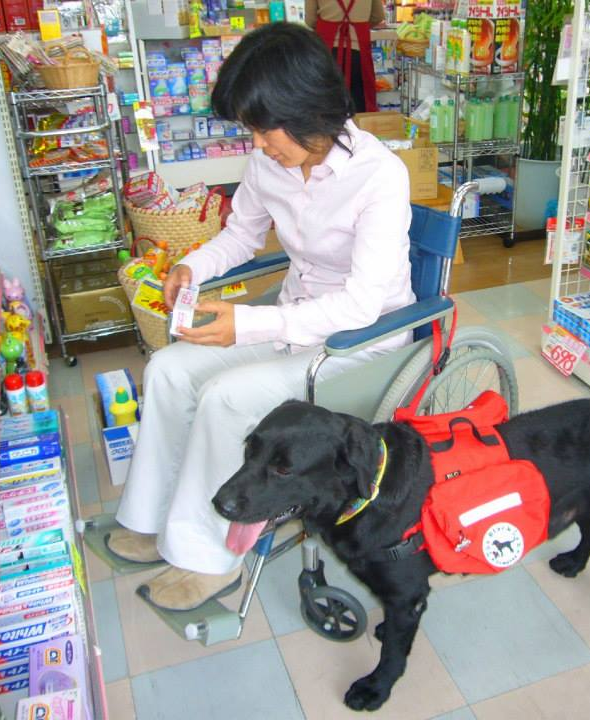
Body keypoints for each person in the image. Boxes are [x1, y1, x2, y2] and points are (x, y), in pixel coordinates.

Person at [106, 22, 416, 612]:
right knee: (170, 368)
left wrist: (246, 325)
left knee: (227, 397)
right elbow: (240, 235)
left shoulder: (379, 176)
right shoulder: (270, 163)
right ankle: (151, 516)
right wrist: (191, 269)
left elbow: (360, 305)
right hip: (293, 321)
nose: (258, 142)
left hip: (362, 341)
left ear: (307, 107)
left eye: (263, 126)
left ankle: (208, 557)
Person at [306, 0, 385, 113]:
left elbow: (310, 20)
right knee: (360, 102)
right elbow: (378, 16)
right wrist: (357, 25)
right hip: (358, 51)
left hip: (328, 50)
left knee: (326, 103)